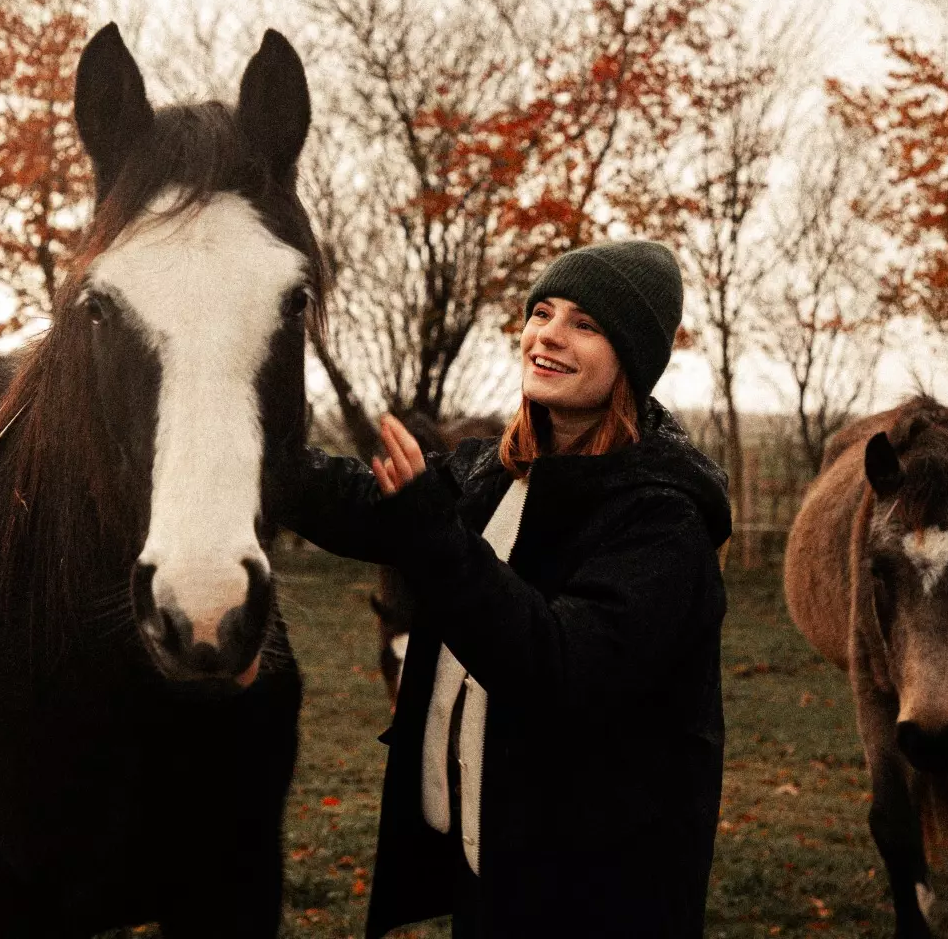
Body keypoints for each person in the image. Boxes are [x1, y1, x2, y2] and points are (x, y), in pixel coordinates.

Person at [276, 241, 731, 939]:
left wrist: (434, 537)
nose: (548, 333)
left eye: (584, 323)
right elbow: (364, 505)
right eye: (541, 312)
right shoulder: (498, 474)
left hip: (596, 897)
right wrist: (255, 454)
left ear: (632, 358)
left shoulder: (661, 522)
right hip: (490, 873)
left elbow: (558, 665)